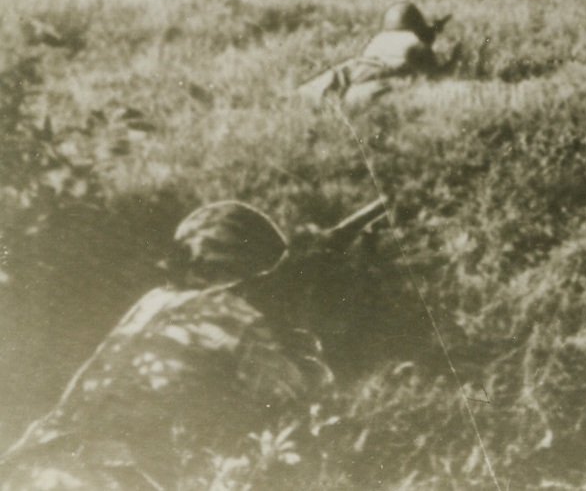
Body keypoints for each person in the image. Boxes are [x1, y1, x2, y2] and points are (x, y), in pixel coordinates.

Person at [0, 202, 338, 490]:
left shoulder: (152, 302)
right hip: (103, 477)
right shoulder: (238, 320)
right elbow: (302, 403)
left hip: (28, 466)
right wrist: (297, 335)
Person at [297, 1, 457, 106]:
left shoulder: (380, 39)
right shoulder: (414, 43)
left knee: (323, 85)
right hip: (380, 72)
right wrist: (453, 59)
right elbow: (431, 70)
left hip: (359, 65)